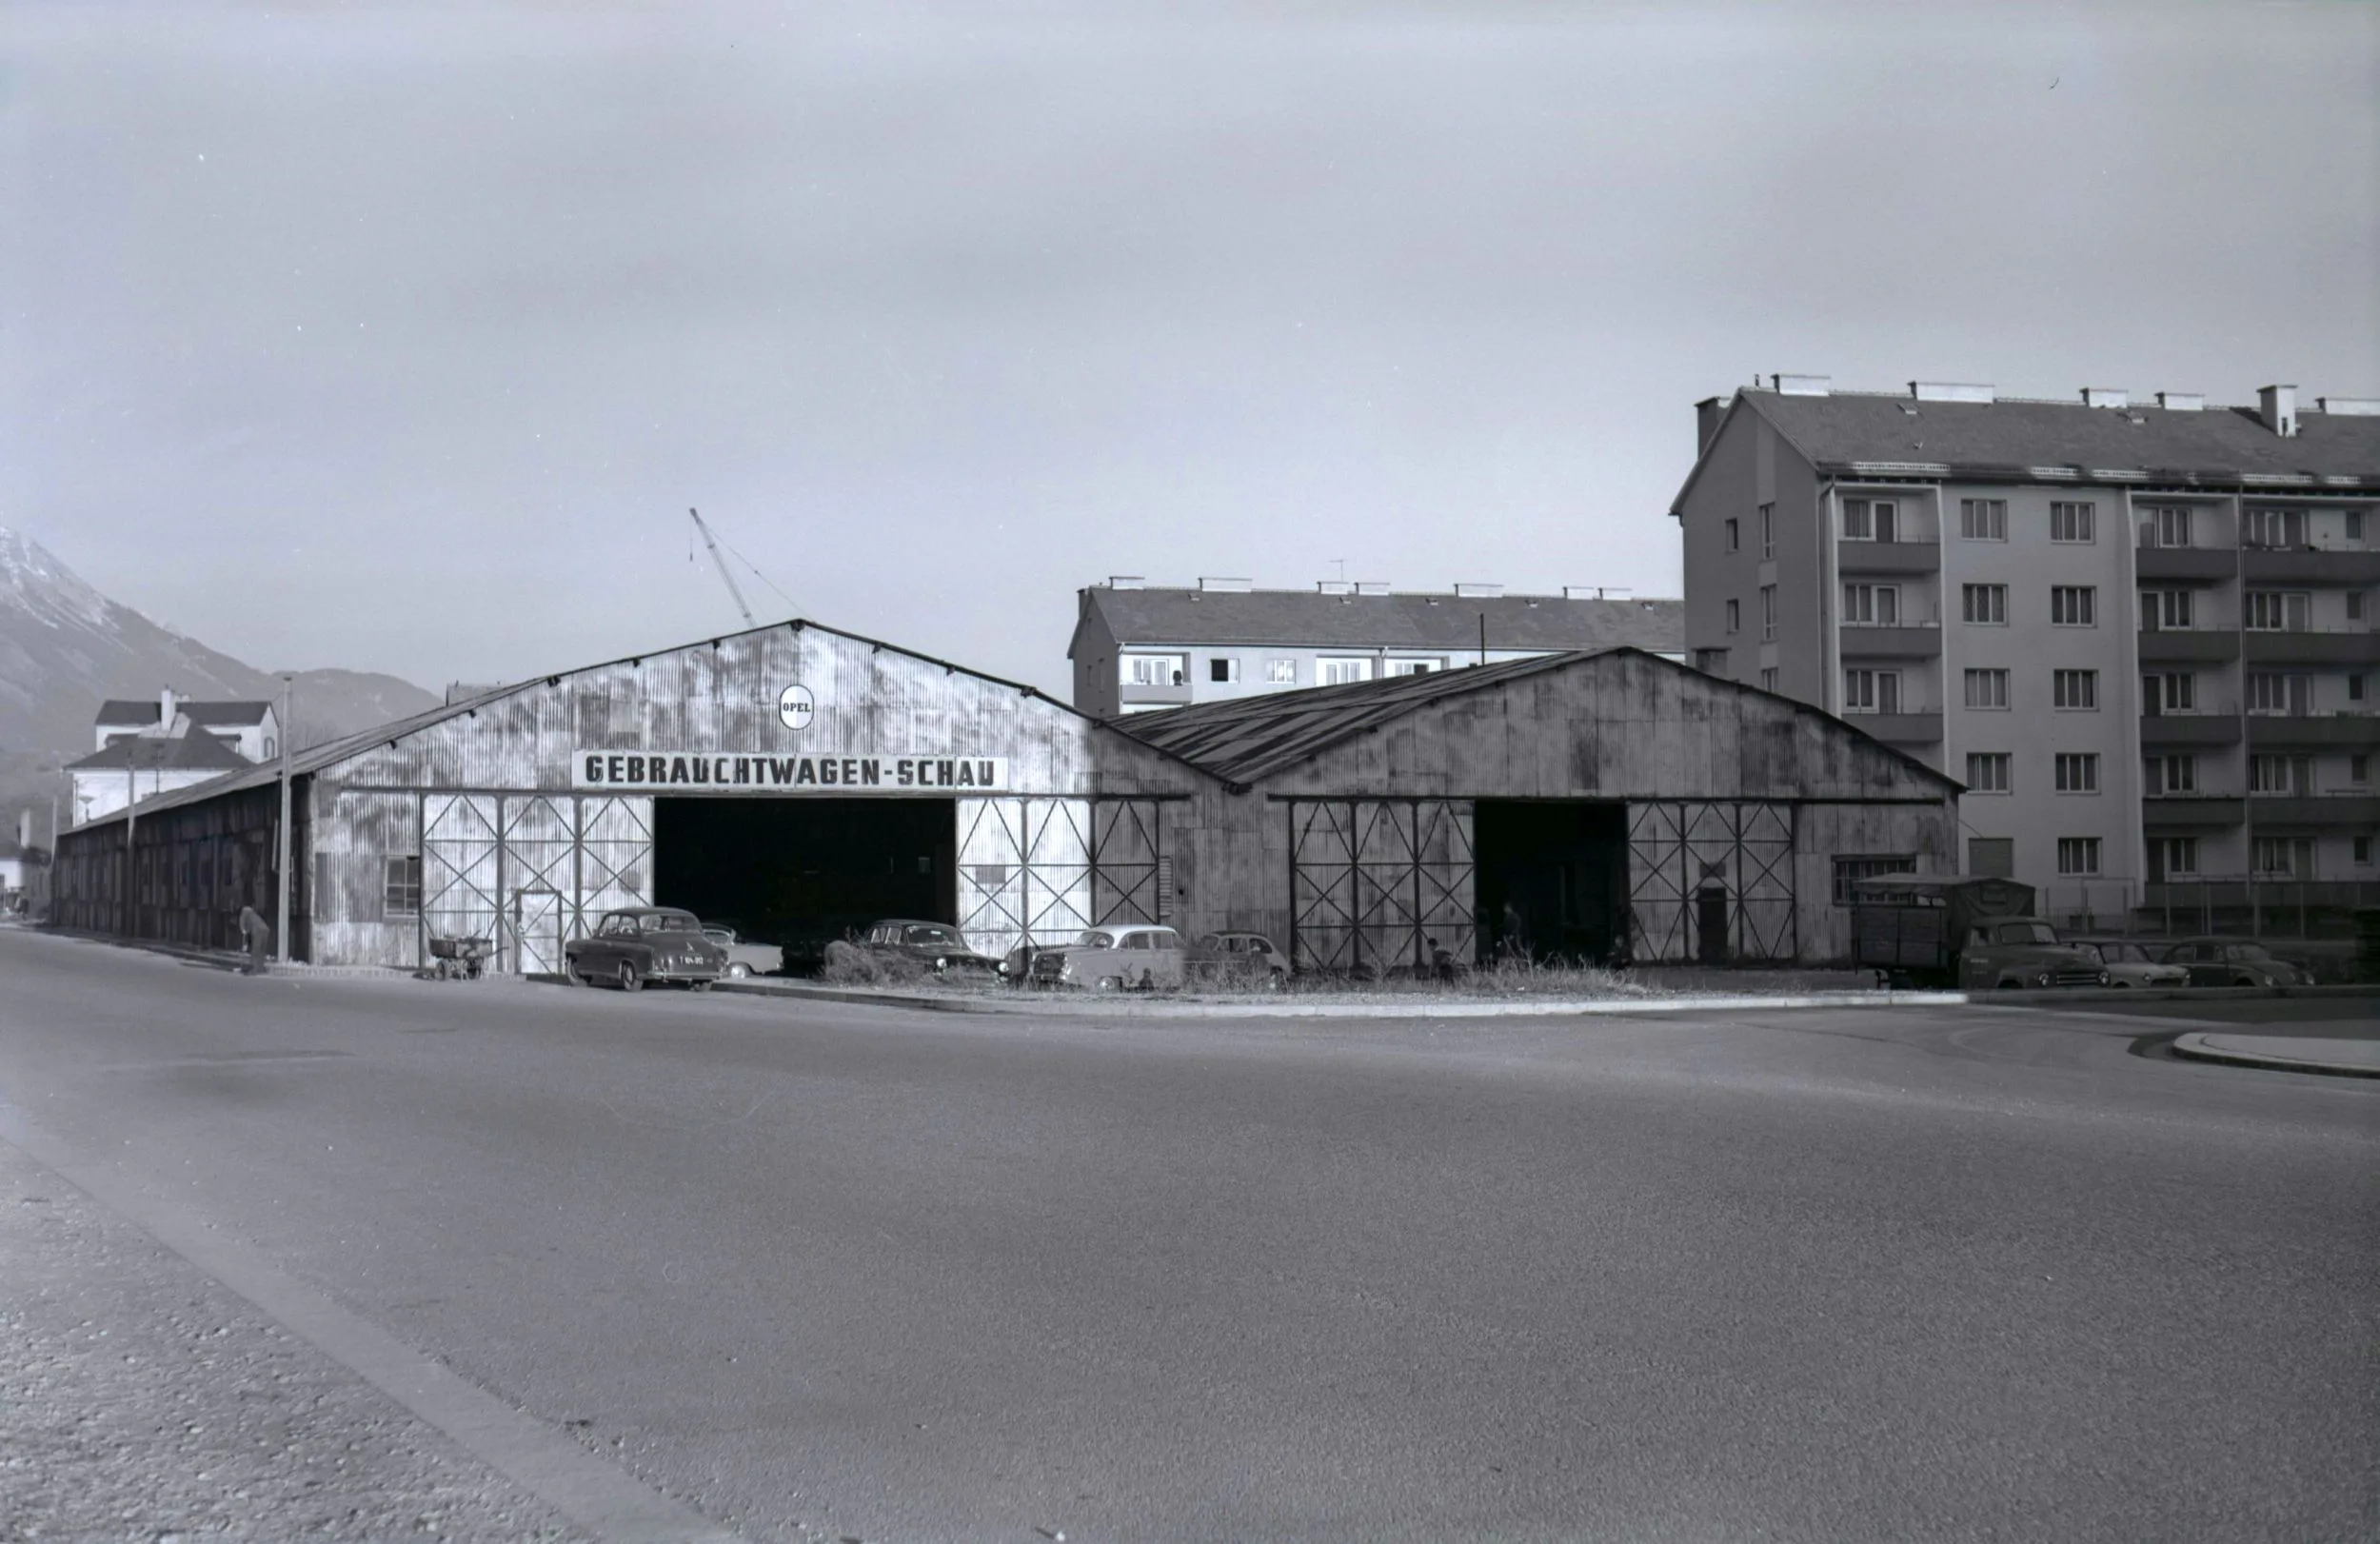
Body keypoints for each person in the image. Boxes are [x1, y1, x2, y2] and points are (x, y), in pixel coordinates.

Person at [237, 903, 271, 976]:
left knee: (255, 951)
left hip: (257, 930)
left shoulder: (244, 911)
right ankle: (260, 968)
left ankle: (254, 969)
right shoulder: (254, 914)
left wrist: (244, 942)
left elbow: (243, 928)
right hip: (265, 929)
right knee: (262, 951)